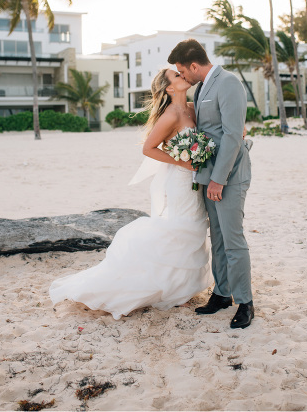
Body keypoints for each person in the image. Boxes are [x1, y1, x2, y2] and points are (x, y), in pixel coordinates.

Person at [49, 68, 212, 318]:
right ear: (169, 88)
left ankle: (180, 288)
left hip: (196, 178)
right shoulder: (170, 115)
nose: (183, 76)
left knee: (196, 225)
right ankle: (168, 289)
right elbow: (149, 148)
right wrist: (182, 162)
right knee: (184, 226)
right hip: (181, 180)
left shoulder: (191, 108)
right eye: (177, 76)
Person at [168, 38, 254, 329]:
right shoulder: (202, 86)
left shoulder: (228, 82)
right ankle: (222, 294)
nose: (183, 76)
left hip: (229, 175)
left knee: (233, 240)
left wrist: (219, 179)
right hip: (208, 175)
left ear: (194, 65)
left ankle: (245, 302)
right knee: (217, 238)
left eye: (182, 71)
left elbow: (232, 135)